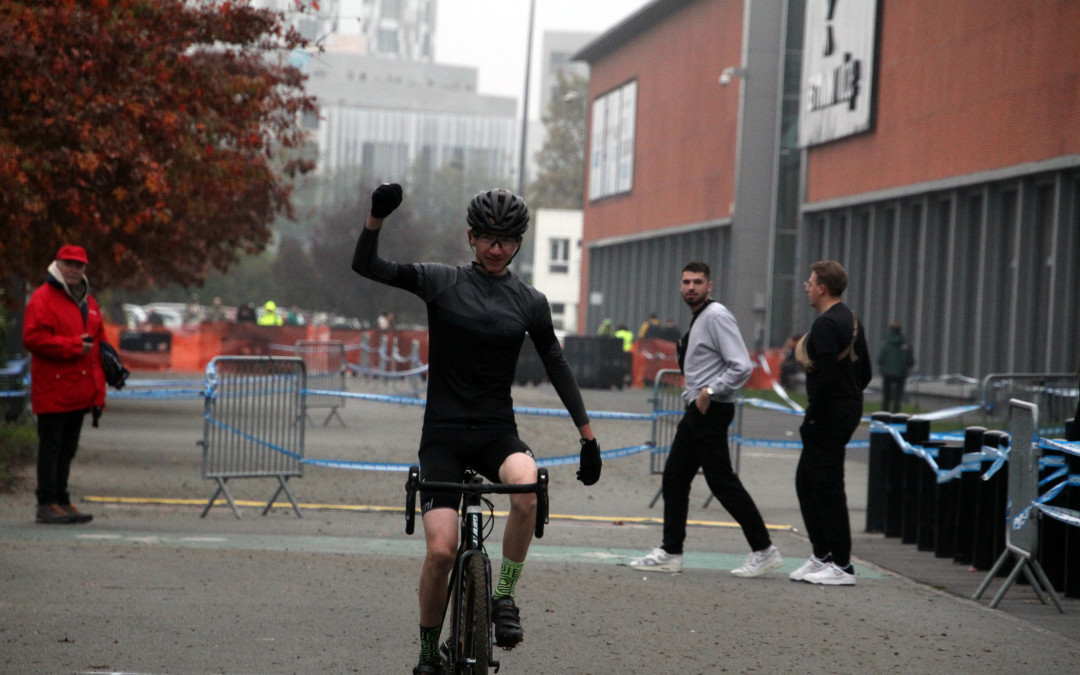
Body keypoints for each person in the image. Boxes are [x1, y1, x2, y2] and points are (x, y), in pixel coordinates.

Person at [351, 183, 602, 675]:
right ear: (471, 237)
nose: (496, 248)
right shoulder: (440, 281)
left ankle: (504, 597)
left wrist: (588, 437)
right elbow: (368, 266)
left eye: (507, 239)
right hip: (442, 435)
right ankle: (426, 654)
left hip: (494, 433)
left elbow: (557, 366)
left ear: (518, 244)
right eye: (488, 237)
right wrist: (376, 219)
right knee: (442, 550)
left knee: (528, 489)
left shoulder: (530, 301)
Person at [630, 262, 781, 577]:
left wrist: (710, 390)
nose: (691, 287)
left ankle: (764, 550)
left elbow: (741, 365)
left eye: (697, 282)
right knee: (675, 477)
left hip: (710, 408)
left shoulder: (716, 316)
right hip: (698, 409)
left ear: (709, 286)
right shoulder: (701, 318)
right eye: (686, 281)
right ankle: (672, 551)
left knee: (722, 482)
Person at [792, 260, 871, 586]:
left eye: (810, 283)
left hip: (827, 415)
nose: (807, 288)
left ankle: (841, 565)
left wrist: (813, 415)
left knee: (826, 487)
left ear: (822, 288)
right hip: (845, 409)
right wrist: (850, 398)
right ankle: (821, 555)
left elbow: (827, 376)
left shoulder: (825, 324)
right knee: (807, 480)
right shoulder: (850, 318)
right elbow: (864, 371)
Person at [22, 245, 106, 525]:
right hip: (52, 387)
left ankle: (61, 497)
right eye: (69, 264)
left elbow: (98, 343)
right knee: (51, 447)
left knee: (68, 448)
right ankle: (46, 502)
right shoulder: (42, 298)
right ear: (58, 264)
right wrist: (72, 347)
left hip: (78, 389)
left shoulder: (89, 302)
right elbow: (32, 338)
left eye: (79, 265)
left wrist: (109, 368)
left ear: (84, 269)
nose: (73, 269)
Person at [877, 323, 914, 413]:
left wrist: (883, 368)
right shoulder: (906, 345)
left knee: (886, 395)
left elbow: (880, 359)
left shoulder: (886, 344)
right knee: (898, 395)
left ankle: (884, 412)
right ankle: (896, 412)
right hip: (901, 374)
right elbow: (910, 361)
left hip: (887, 373)